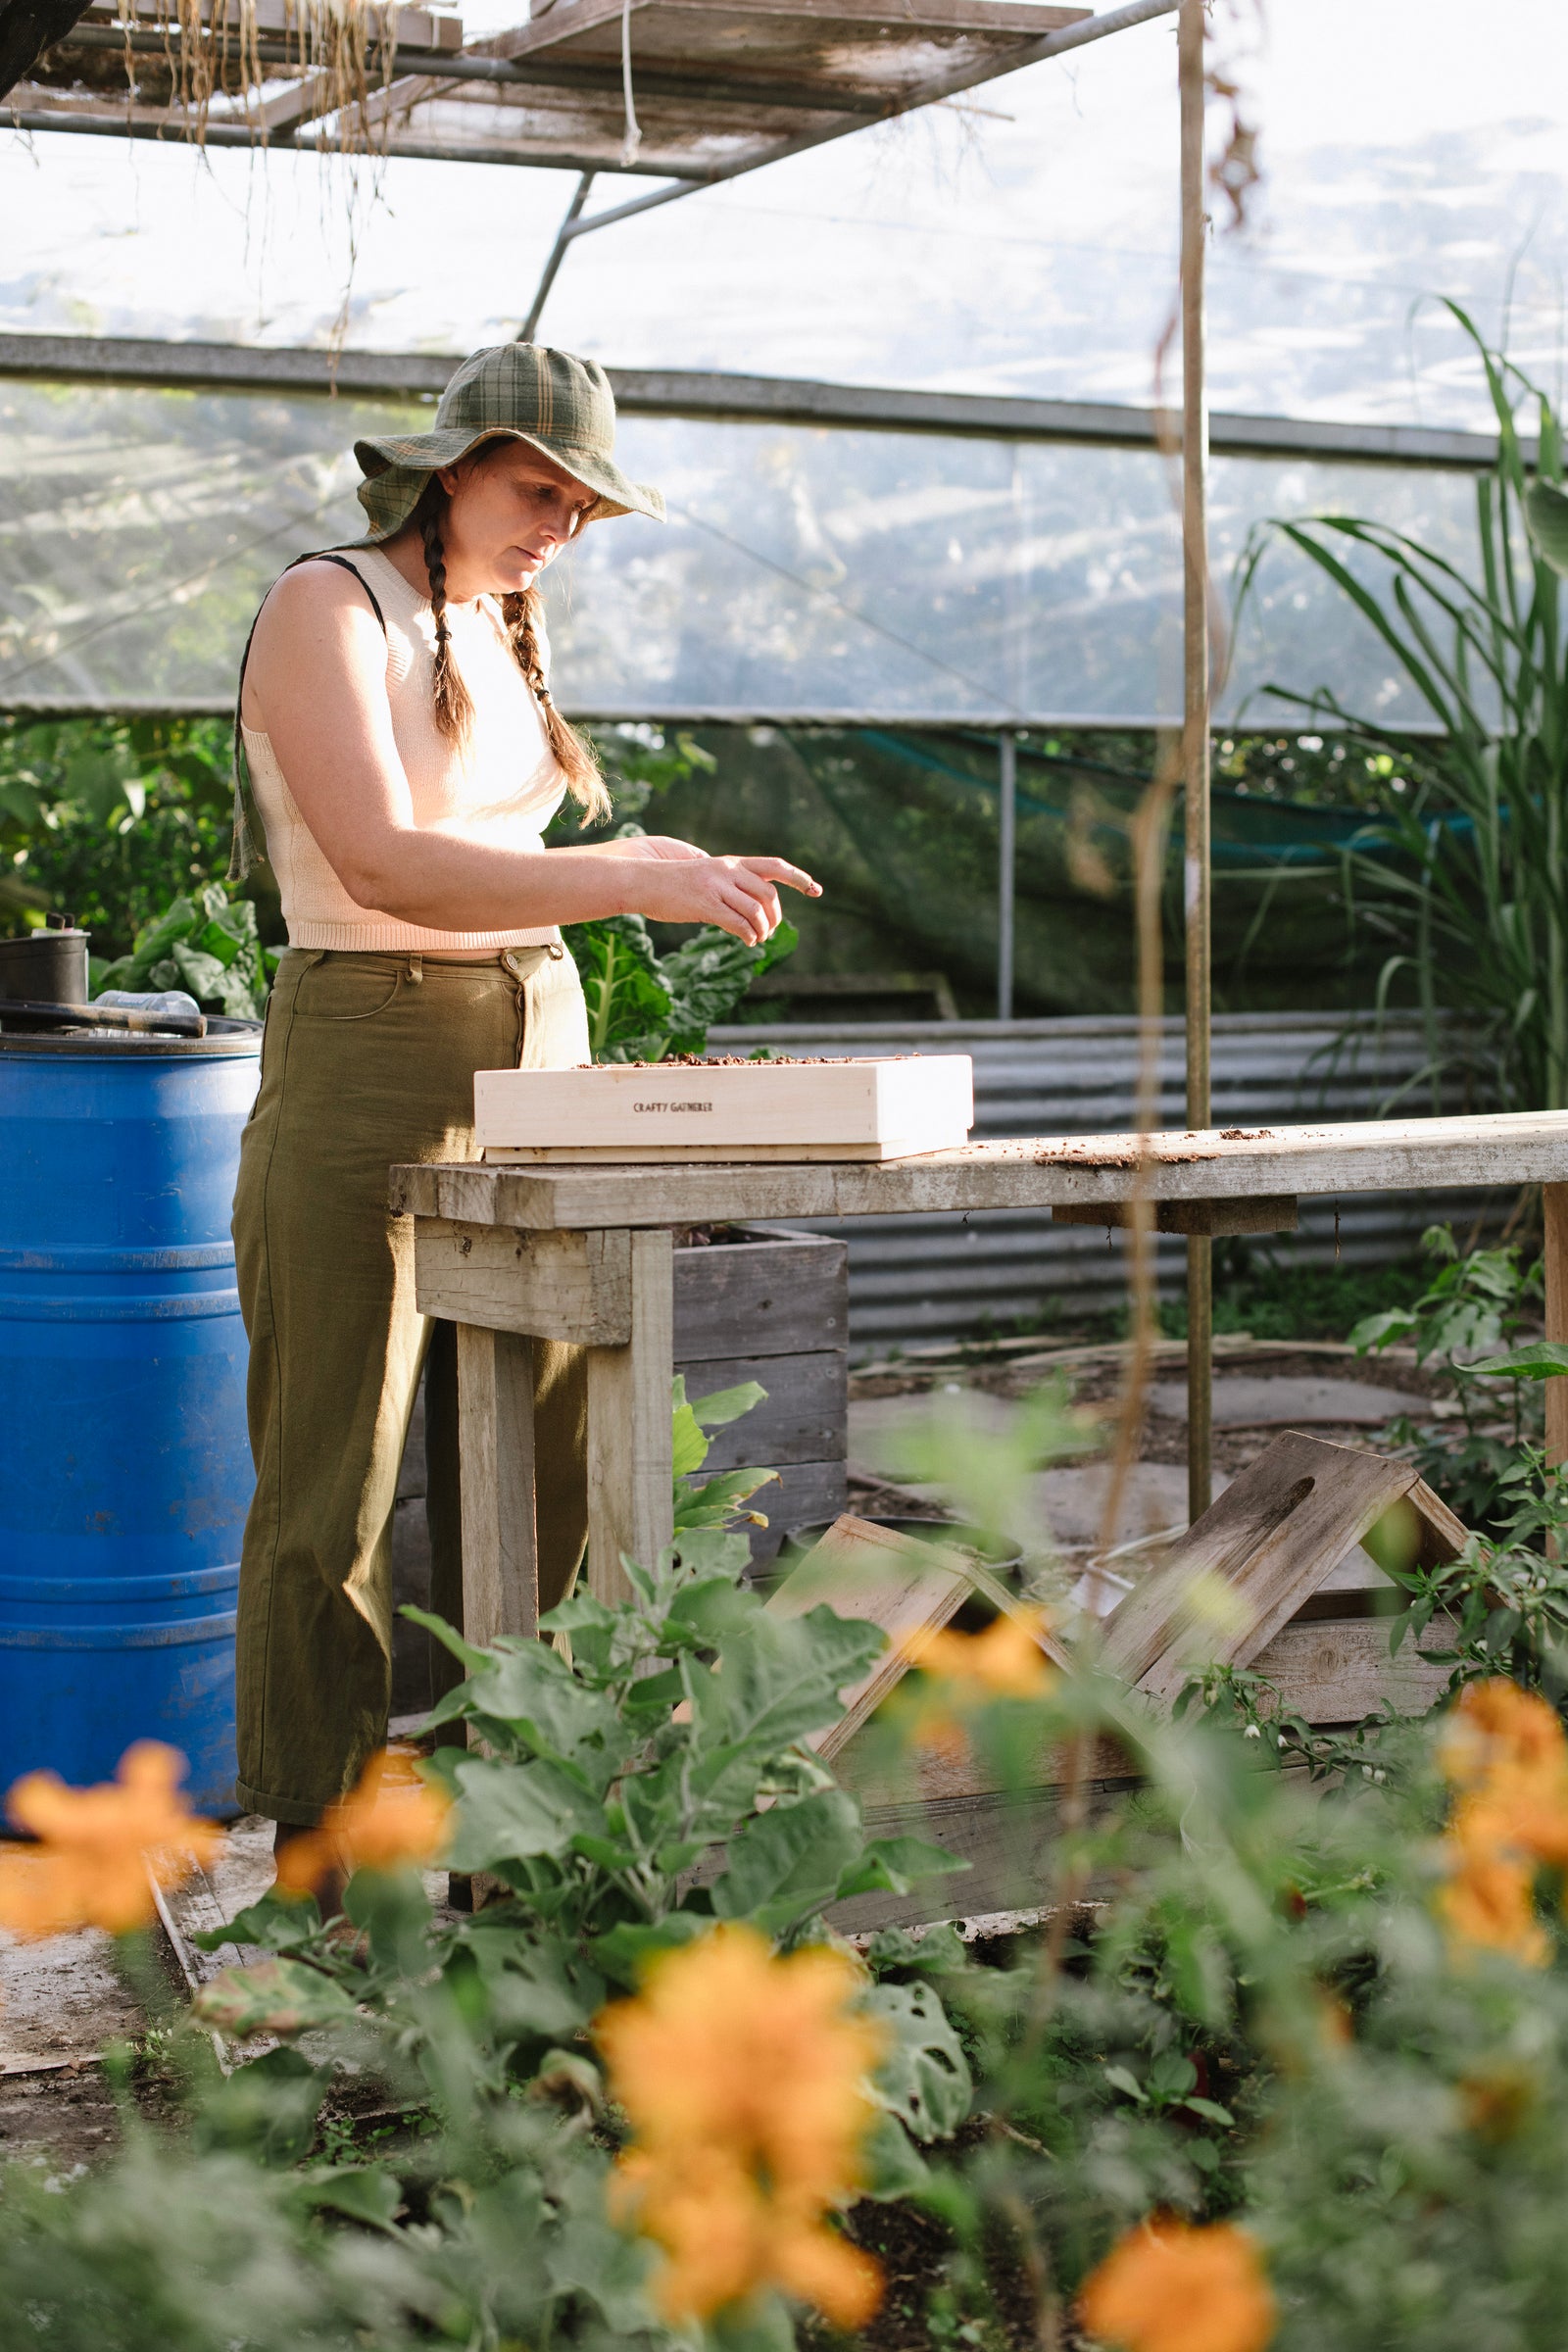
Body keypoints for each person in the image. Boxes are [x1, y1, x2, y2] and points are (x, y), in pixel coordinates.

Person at [229, 343, 818, 1866]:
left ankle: (536, 1819)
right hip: (368, 1048)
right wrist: (634, 878)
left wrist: (672, 859)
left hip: (534, 1043)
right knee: (335, 1479)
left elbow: (494, 848)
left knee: (555, 1446)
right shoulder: (328, 603)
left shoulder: (495, 621)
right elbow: (382, 861)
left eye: (582, 501)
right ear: (450, 466)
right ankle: (318, 1859)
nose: (559, 520)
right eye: (534, 485)